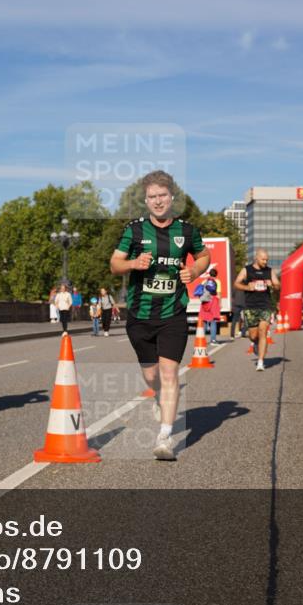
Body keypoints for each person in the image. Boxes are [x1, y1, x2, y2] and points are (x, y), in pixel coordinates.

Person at [110, 170, 209, 461]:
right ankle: (156, 395)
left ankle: (165, 437)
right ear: (146, 200)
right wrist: (132, 263)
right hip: (140, 314)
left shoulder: (187, 231)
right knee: (151, 374)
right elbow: (114, 264)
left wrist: (195, 271)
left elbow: (204, 256)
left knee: (169, 374)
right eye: (152, 197)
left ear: (172, 197)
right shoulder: (135, 230)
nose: (157, 201)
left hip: (173, 312)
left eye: (162, 195)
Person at [234, 249, 279, 371]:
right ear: (256, 258)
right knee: (253, 335)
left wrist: (273, 285)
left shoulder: (269, 271)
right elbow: (236, 283)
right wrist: (247, 287)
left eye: (267, 259)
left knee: (263, 331)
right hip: (250, 306)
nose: (265, 261)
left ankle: (260, 361)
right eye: (263, 259)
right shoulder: (247, 270)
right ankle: (255, 343)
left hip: (265, 306)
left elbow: (278, 285)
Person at [198, 267, 221, 345]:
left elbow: (200, 291)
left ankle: (202, 339)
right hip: (213, 301)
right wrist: (220, 304)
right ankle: (213, 340)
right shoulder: (217, 281)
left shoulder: (204, 281)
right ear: (216, 274)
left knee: (204, 320)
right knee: (213, 321)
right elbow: (218, 293)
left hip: (204, 302)